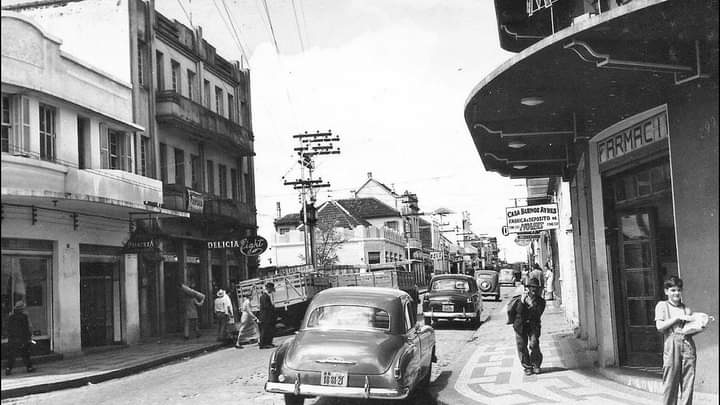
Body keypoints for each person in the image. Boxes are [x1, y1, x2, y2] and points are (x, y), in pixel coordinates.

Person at [655, 276, 696, 405]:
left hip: (687, 344)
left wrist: (700, 324)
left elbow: (690, 330)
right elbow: (660, 327)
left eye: (678, 290)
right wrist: (677, 318)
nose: (676, 293)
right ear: (666, 291)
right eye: (672, 290)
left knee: (688, 382)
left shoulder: (686, 309)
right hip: (671, 345)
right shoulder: (662, 306)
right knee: (670, 382)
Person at [509, 277, 546, 375]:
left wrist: (532, 305)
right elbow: (518, 313)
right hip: (520, 325)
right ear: (527, 288)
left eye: (536, 288)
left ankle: (536, 364)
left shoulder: (541, 301)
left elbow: (538, 314)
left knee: (534, 343)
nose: (534, 290)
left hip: (533, 325)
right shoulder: (520, 299)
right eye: (531, 287)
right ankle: (527, 367)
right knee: (522, 346)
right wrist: (522, 302)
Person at [5, 301, 35, 375]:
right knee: (25, 354)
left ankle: (8, 369)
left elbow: (8, 328)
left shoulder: (11, 316)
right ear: (21, 309)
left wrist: (10, 337)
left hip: (13, 339)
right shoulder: (24, 316)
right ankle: (29, 368)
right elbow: (26, 328)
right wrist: (29, 337)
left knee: (12, 355)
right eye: (23, 308)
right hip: (22, 339)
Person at [258, 282, 277, 349]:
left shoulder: (267, 296)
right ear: (269, 288)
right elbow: (266, 307)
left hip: (268, 316)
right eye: (271, 289)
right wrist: (272, 307)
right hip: (265, 316)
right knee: (265, 330)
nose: (272, 290)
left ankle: (268, 343)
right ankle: (263, 344)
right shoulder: (264, 296)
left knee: (269, 330)